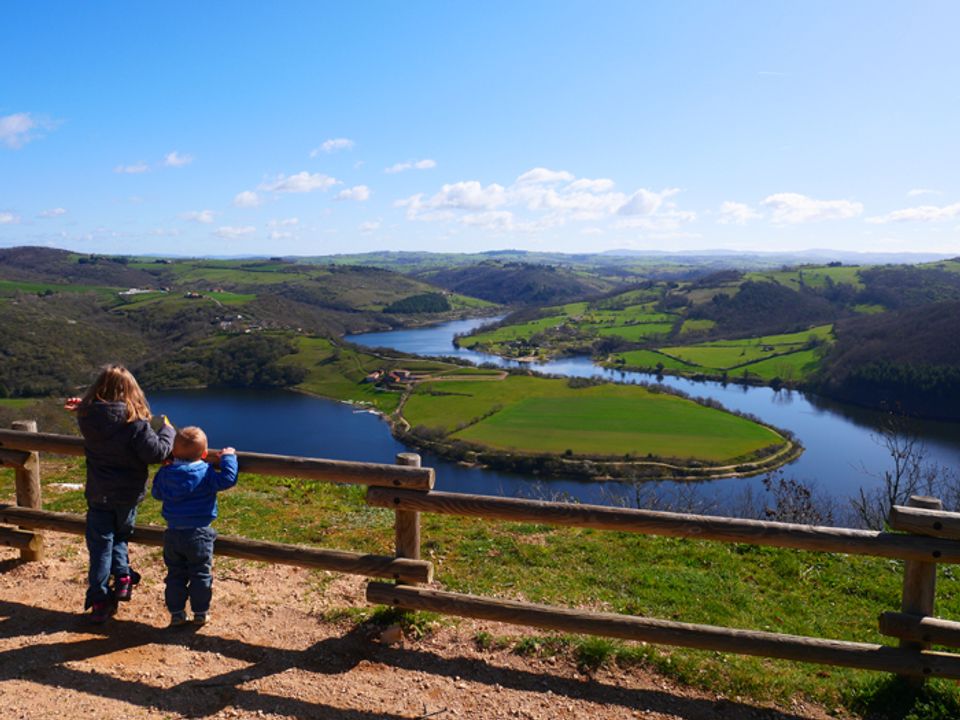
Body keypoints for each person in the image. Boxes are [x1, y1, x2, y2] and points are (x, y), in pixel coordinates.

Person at [65, 364, 175, 623]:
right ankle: (123, 577)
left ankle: (100, 600)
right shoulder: (135, 423)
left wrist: (83, 405)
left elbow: (103, 415)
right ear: (132, 391)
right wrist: (168, 431)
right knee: (121, 536)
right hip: (127, 495)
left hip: (98, 494)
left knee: (101, 547)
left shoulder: (87, 417)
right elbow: (156, 453)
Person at [151, 425, 238, 627]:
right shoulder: (206, 472)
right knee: (200, 574)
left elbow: (156, 494)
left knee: (175, 574)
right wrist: (228, 457)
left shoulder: (167, 473)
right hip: (200, 533)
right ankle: (200, 612)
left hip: (172, 534)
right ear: (205, 453)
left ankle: (176, 613)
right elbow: (228, 479)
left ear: (173, 452)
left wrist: (165, 469)